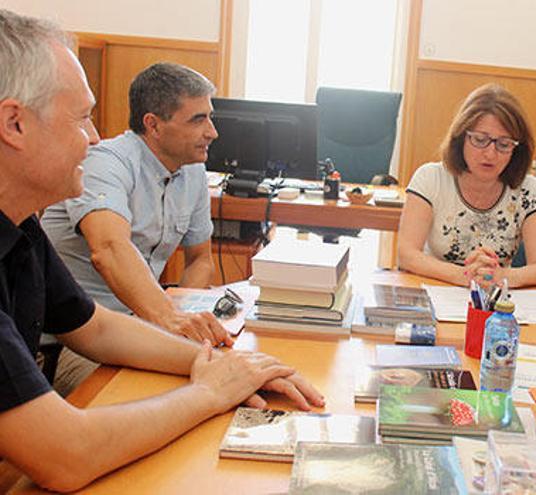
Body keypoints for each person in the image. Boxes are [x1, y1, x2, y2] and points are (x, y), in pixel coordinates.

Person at [0, 10, 323, 491]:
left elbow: (94, 325)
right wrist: (209, 392)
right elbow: (67, 455)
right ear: (14, 124)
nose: (92, 138)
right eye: (82, 118)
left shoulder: (20, 224)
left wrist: (213, 365)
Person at [41, 62, 229, 394]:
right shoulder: (105, 161)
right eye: (198, 119)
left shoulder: (194, 172)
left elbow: (200, 260)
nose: (212, 132)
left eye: (209, 117)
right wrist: (169, 321)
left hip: (138, 326)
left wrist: (184, 319)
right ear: (153, 125)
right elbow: (109, 249)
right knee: (161, 392)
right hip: (74, 339)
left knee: (220, 373)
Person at [398, 84, 536, 289]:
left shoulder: (530, 190)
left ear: (517, 149)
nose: (490, 154)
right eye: (480, 140)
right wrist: (465, 276)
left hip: (495, 301)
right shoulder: (430, 178)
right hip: (435, 290)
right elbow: (407, 253)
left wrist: (500, 276)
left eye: (504, 144)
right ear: (461, 137)